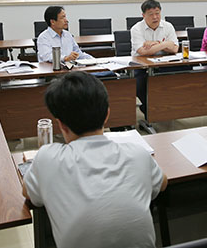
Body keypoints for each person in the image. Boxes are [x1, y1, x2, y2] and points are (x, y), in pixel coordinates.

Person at [23, 71, 167, 248]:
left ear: (60, 124)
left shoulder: (47, 158)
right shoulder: (138, 154)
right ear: (107, 115)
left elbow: (28, 193)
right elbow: (162, 183)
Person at [130, 0, 179, 115]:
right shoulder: (136, 29)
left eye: (157, 13)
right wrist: (165, 44)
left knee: (181, 74)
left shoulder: (168, 26)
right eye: (151, 14)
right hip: (141, 65)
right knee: (140, 83)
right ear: (143, 15)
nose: (155, 17)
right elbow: (142, 52)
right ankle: (149, 110)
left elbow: (175, 49)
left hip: (163, 63)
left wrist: (156, 44)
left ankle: (169, 108)